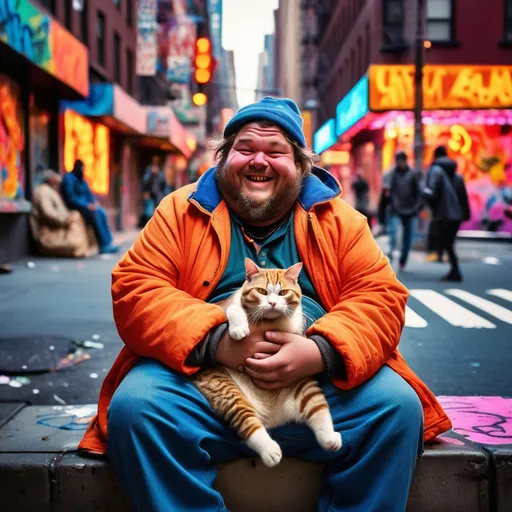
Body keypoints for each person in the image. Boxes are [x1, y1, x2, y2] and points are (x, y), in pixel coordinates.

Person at [79, 97, 451, 511]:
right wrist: (217, 341)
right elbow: (136, 289)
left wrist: (320, 352)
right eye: (244, 148)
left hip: (314, 390)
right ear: (223, 157)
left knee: (396, 409)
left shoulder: (341, 220)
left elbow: (381, 298)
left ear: (301, 165)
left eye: (276, 151)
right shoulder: (178, 212)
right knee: (138, 409)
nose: (259, 160)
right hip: (206, 388)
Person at [423, 145, 470, 281]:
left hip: (443, 213)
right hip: (456, 214)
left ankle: (455, 270)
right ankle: (454, 269)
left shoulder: (435, 172)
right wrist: (465, 214)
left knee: (446, 242)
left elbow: (432, 193)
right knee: (449, 242)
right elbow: (463, 197)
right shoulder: (458, 177)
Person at [30, 170, 97, 257]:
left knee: (77, 216)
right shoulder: (43, 191)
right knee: (75, 217)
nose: (59, 186)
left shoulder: (49, 191)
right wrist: (65, 220)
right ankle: (80, 247)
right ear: (52, 180)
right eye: (58, 183)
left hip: (55, 228)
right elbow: (47, 213)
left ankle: (84, 247)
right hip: (48, 233)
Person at [61, 160, 119, 254]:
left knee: (101, 212)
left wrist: (94, 203)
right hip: (77, 207)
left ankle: (108, 243)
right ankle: (103, 245)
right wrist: (86, 205)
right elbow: (70, 198)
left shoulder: (83, 181)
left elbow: (90, 195)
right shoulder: (69, 178)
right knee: (95, 214)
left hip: (88, 206)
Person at [383, 151, 423, 271]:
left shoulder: (413, 174)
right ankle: (391, 250)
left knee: (408, 238)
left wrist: (417, 207)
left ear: (406, 161)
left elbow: (419, 192)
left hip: (411, 210)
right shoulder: (391, 174)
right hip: (396, 209)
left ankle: (403, 260)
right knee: (393, 233)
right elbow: (386, 191)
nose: (400, 164)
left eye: (402, 161)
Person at [139, 156, 167, 227]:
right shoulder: (149, 170)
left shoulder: (160, 171)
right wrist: (151, 173)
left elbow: (163, 182)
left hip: (158, 194)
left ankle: (155, 225)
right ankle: (149, 225)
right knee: (148, 211)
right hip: (149, 194)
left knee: (157, 210)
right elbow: (145, 181)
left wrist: (158, 174)